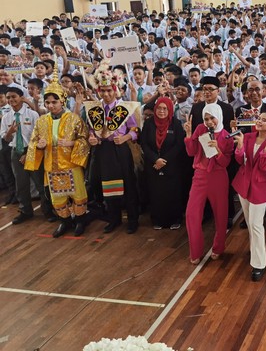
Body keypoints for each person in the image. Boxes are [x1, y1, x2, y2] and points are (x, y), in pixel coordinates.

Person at [24, 72, 89, 237]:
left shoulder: (73, 119)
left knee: (78, 195)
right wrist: (39, 146)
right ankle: (65, 221)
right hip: (51, 166)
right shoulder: (41, 121)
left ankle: (80, 221)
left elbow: (84, 139)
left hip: (71, 164)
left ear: (62, 101)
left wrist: (71, 143)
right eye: (47, 102)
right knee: (57, 198)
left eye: (54, 102)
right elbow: (33, 141)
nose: (51, 105)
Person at [86, 64, 141, 234]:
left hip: (120, 149)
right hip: (103, 150)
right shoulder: (95, 109)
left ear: (115, 89)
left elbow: (135, 129)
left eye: (109, 90)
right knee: (108, 185)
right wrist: (92, 138)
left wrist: (125, 137)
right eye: (103, 91)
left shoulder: (124, 108)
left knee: (128, 183)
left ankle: (132, 219)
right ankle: (113, 218)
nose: (106, 94)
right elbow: (91, 129)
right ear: (98, 91)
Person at [232, 112, 266, 282]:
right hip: (243, 184)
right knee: (249, 222)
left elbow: (265, 167)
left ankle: (259, 264)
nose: (260, 121)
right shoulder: (247, 137)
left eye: (264, 120)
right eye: (259, 118)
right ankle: (256, 249)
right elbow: (240, 161)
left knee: (256, 224)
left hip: (259, 187)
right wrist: (239, 146)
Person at [183, 103, 233, 264]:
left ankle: (218, 247)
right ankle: (195, 251)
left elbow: (225, 163)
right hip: (200, 176)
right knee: (192, 214)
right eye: (206, 119)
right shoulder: (200, 129)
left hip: (218, 177)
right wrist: (188, 135)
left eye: (212, 118)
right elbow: (191, 152)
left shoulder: (226, 136)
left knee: (221, 214)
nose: (209, 122)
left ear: (219, 116)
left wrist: (218, 150)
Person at [0, 87, 55, 224]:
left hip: (33, 150)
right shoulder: (6, 117)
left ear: (21, 97)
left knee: (40, 183)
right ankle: (25, 211)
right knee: (21, 184)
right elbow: (5, 139)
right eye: (8, 97)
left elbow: (38, 135)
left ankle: (47, 211)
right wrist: (10, 132)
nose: (11, 100)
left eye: (14, 96)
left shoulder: (32, 114)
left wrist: (28, 153)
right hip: (16, 152)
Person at [139, 97, 186, 230]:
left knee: (172, 192)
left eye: (165, 108)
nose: (161, 111)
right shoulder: (149, 124)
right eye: (159, 108)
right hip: (153, 164)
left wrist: (164, 160)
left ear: (170, 109)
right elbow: (144, 143)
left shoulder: (176, 123)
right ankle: (157, 220)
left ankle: (175, 219)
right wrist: (155, 159)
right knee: (156, 192)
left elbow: (179, 145)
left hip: (171, 165)